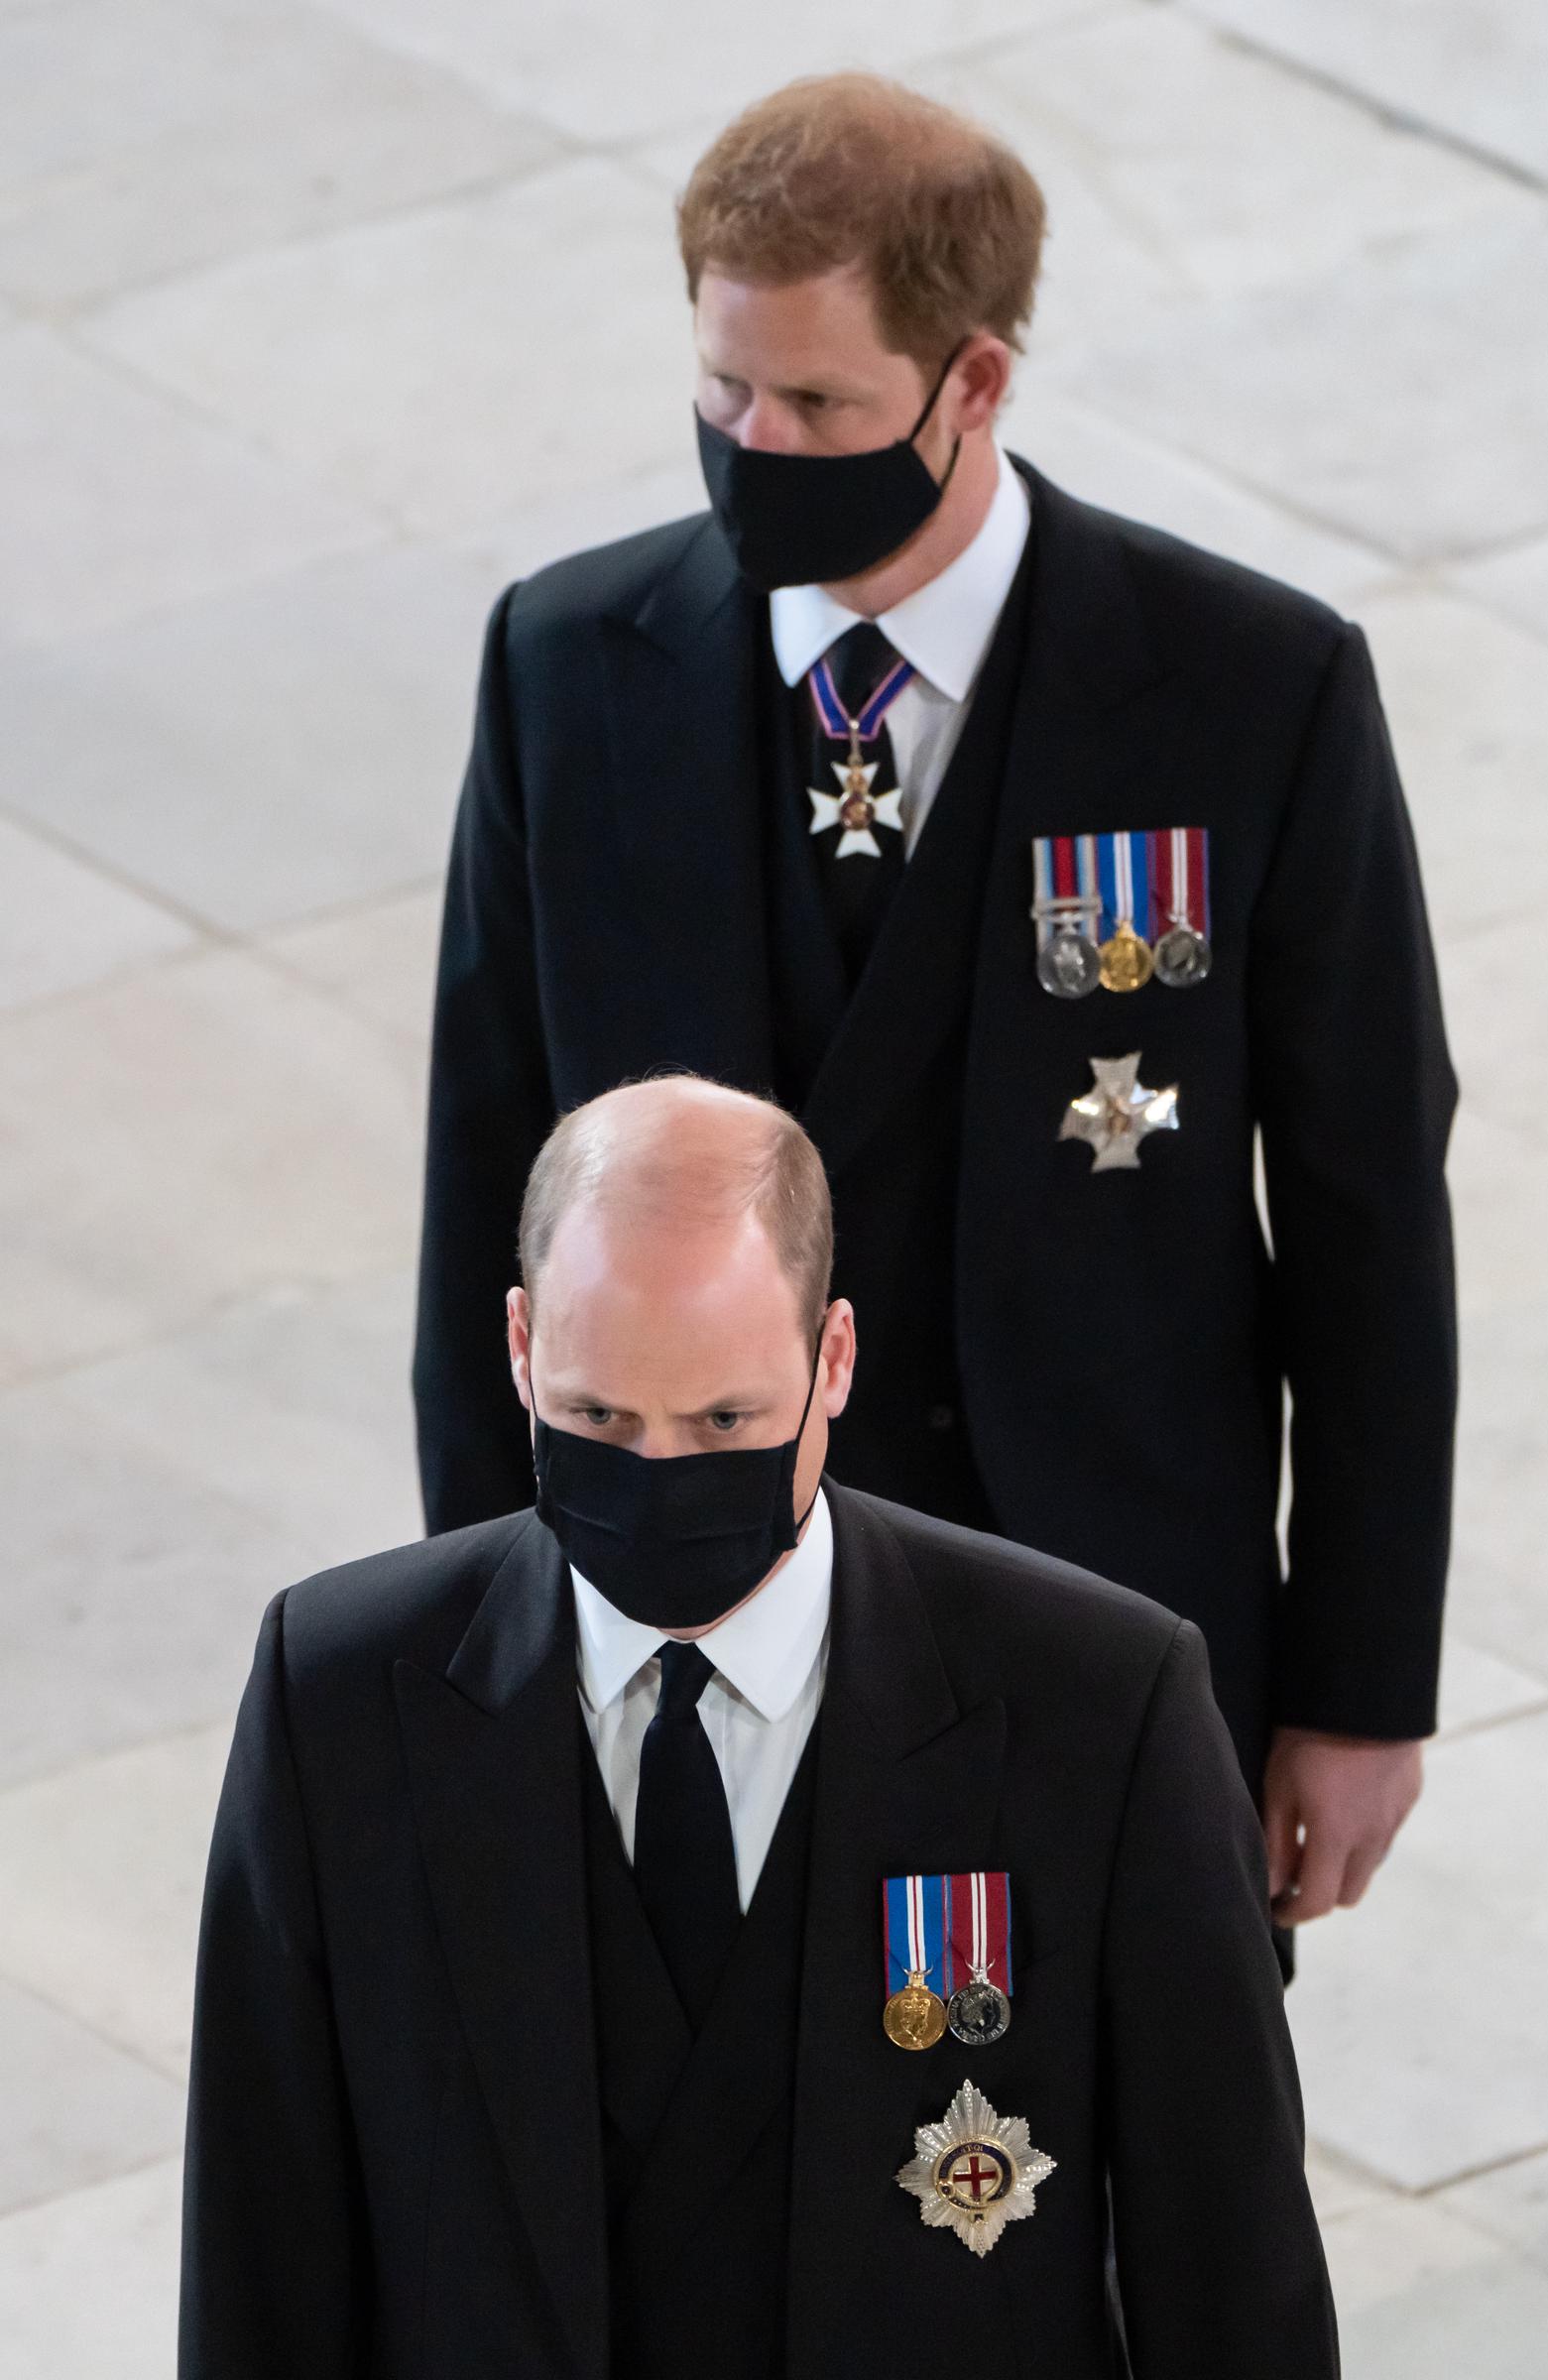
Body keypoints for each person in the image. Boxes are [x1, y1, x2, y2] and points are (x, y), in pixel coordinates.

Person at [414, 74, 1457, 1938]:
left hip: (1108, 1635)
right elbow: (485, 1186)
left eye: (816, 403)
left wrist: (1358, 1690)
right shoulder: (571, 673)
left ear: (971, 384)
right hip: (682, 1638)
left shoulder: (1249, 692)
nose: (753, 443)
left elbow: (1369, 1213)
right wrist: (482, 1645)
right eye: (722, 391)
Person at [183, 1079, 1339, 2379]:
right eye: (598, 1419)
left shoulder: (1097, 1705)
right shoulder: (338, 1697)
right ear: (519, 1348)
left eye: (725, 1421)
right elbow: (260, 2255)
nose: (660, 1476)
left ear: (831, 1360)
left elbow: (1230, 2274)